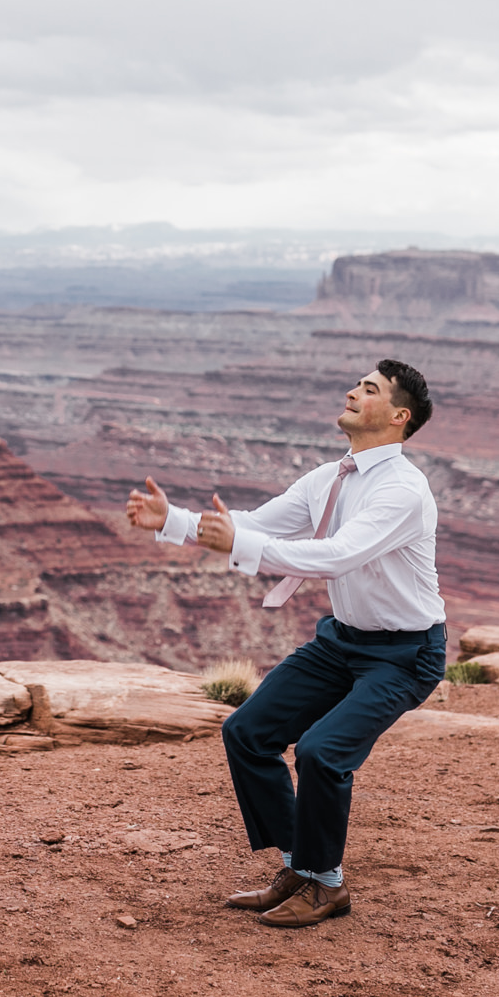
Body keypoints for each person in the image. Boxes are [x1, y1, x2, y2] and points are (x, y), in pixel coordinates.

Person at [124, 361, 444, 928]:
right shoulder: (329, 477)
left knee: (322, 752)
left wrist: (242, 544)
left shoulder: (403, 489)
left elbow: (339, 554)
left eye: (369, 389)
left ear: (399, 417)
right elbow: (256, 524)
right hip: (343, 642)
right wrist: (171, 520)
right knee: (248, 732)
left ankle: (330, 887)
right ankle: (304, 867)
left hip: (405, 653)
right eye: (357, 383)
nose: (352, 391)